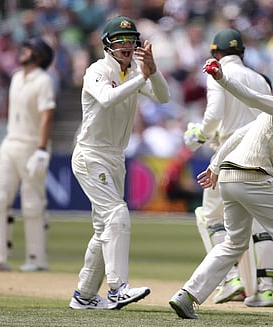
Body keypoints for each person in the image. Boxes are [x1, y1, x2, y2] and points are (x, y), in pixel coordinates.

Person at [170, 67, 273, 323]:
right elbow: (251, 98)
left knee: (234, 243)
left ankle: (187, 295)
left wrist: (214, 166)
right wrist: (222, 78)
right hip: (252, 176)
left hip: (229, 178)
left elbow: (237, 135)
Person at [68, 16, 170, 310]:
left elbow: (164, 97)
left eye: (130, 41)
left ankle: (85, 296)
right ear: (108, 45)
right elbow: (107, 98)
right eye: (120, 41)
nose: (126, 46)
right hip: (90, 154)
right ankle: (117, 288)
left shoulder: (134, 72)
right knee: (117, 215)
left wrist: (152, 70)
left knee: (105, 230)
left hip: (115, 156)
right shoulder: (97, 70)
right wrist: (142, 77)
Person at [183, 28, 273, 307]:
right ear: (242, 52)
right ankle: (267, 289)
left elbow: (214, 116)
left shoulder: (218, 71)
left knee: (210, 217)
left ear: (215, 53)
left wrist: (197, 135)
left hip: (228, 155)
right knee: (260, 223)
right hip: (260, 154)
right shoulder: (260, 79)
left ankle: (231, 279)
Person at [0, 37, 56, 272]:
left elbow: (47, 115)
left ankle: (36, 259)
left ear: (40, 56)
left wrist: (41, 150)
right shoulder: (15, 78)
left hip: (33, 147)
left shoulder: (43, 80)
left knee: (32, 204)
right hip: (10, 143)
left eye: (29, 48)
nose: (23, 51)